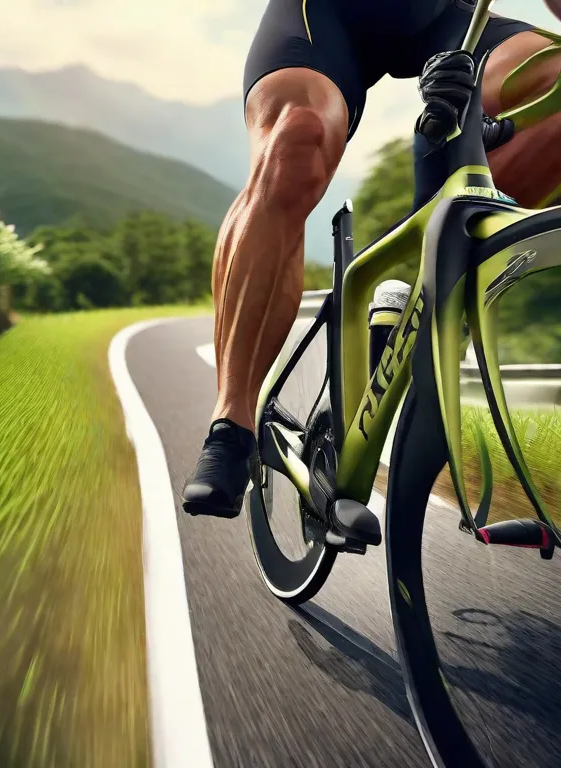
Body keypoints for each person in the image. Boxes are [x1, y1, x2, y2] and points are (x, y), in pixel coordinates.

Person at [182, 0, 561, 519]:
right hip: (326, 16)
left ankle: (412, 294)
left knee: (553, 87)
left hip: (450, 15)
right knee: (297, 138)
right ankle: (231, 426)